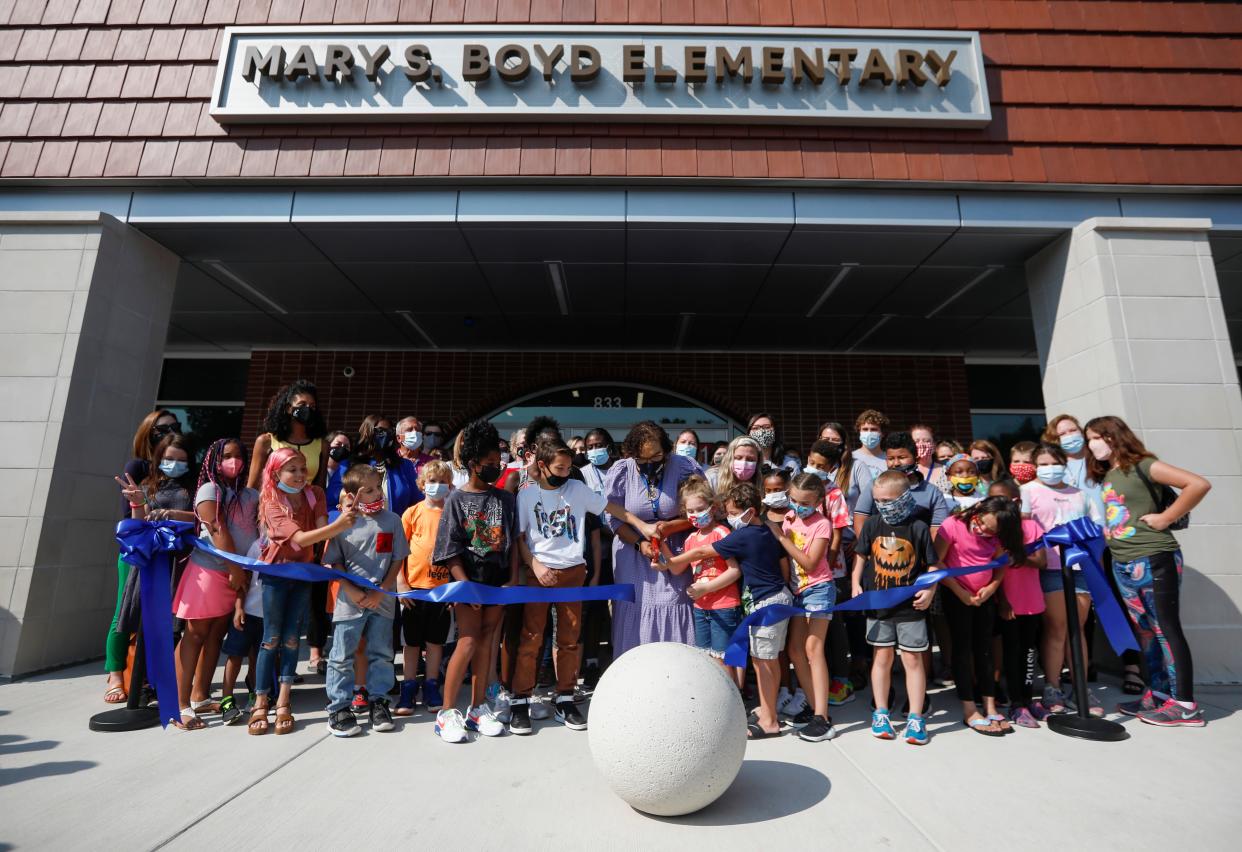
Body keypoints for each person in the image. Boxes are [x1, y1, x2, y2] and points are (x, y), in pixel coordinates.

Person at [509, 441, 658, 734]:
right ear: (542, 466)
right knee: (531, 636)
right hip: (539, 573)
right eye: (559, 468)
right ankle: (520, 699)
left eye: (568, 468)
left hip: (572, 573)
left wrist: (643, 525)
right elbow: (521, 539)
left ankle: (565, 697)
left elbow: (611, 508)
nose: (565, 473)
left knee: (569, 638)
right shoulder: (525, 496)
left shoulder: (577, 490)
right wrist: (536, 566)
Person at [1086, 415, 1211, 727]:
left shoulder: (1143, 464)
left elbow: (1197, 484)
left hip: (1153, 556)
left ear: (1113, 436)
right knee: (1145, 629)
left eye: (1096, 437)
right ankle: (1158, 694)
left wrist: (1166, 518)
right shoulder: (1109, 473)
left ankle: (1185, 704)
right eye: (1089, 439)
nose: (1092, 445)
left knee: (1165, 627)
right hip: (1122, 560)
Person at [662, 481, 790, 739]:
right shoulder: (765, 530)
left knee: (761, 662)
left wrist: (670, 557)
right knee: (766, 661)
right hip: (773, 599)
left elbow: (702, 551)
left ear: (750, 512)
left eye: (732, 513)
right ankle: (767, 711)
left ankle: (769, 721)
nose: (730, 519)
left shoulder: (740, 535)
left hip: (764, 603)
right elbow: (782, 563)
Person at [250, 448, 356, 735]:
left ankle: (283, 701)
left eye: (302, 468)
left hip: (305, 572)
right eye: (291, 470)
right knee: (271, 638)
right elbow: (300, 537)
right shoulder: (271, 500)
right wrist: (339, 525)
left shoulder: (316, 493)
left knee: (293, 639)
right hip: (277, 574)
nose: (299, 475)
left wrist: (342, 519)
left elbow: (321, 531)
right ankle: (261, 701)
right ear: (275, 473)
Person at [431, 420, 520, 743]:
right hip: (468, 579)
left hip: (498, 581)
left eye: (498, 464)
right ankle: (446, 712)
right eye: (489, 465)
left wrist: (511, 579)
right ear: (472, 464)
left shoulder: (506, 500)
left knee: (487, 641)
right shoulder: (456, 500)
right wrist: (464, 584)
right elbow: (449, 548)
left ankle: (478, 707)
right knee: (467, 640)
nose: (496, 469)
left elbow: (511, 543)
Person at [170, 438, 258, 730]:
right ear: (213, 460)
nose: (234, 461)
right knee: (195, 635)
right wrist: (235, 569)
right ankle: (178, 704)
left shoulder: (246, 494)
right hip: (208, 573)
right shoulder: (210, 489)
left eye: (239, 456)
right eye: (227, 456)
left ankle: (200, 695)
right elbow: (216, 528)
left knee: (214, 638)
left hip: (235, 576)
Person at [852, 470, 940, 746]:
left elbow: (933, 565)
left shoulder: (918, 528)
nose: (882, 505)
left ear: (903, 498)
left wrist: (930, 590)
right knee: (881, 658)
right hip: (878, 606)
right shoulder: (872, 525)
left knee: (913, 660)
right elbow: (860, 556)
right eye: (877, 500)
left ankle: (915, 718)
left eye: (888, 500)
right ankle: (881, 712)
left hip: (910, 607)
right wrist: (856, 584)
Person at [323, 465, 409, 738]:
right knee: (341, 656)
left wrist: (381, 590)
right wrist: (352, 590)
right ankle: (339, 708)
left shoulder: (392, 520)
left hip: (382, 602)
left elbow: (397, 559)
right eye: (369, 490)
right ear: (352, 494)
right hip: (350, 602)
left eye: (377, 488)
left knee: (382, 653)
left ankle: (379, 702)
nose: (376, 494)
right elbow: (335, 561)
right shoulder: (343, 523)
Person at [104, 409, 182, 704]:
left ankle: (148, 677)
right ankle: (113, 674)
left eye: (174, 427)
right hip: (137, 550)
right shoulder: (138, 466)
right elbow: (131, 517)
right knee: (124, 611)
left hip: (165, 553)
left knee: (158, 617)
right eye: (161, 429)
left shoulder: (173, 467)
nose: (169, 432)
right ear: (148, 433)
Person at [934, 496, 1027, 736]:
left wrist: (992, 588)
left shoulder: (997, 535)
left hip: (984, 599)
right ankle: (968, 708)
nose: (983, 530)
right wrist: (959, 591)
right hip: (957, 596)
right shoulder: (952, 525)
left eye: (990, 530)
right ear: (978, 509)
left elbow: (1000, 563)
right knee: (963, 649)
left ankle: (989, 704)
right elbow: (938, 563)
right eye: (982, 523)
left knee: (984, 649)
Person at [1021, 442, 1103, 715]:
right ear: (1034, 466)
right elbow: (1023, 530)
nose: (1049, 468)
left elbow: (1096, 534)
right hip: (1049, 569)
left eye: (1053, 462)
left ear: (1064, 463)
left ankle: (1080, 687)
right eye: (1042, 464)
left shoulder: (1081, 494)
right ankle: (1052, 686)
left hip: (1081, 569)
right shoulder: (1028, 491)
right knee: (1056, 627)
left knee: (1077, 629)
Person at [605, 421, 699, 656]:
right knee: (634, 611)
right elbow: (613, 518)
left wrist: (670, 526)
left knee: (676, 605)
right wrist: (641, 543)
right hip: (633, 554)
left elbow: (702, 512)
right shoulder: (622, 471)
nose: (649, 464)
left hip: (676, 554)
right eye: (642, 460)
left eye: (656, 457)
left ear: (666, 451)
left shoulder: (685, 467)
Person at [766, 472, 841, 742]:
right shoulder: (789, 518)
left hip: (819, 588)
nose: (798, 506)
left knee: (813, 648)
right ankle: (812, 704)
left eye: (805, 502)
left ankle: (823, 716)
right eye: (794, 500)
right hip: (797, 591)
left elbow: (810, 563)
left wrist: (782, 537)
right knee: (795, 650)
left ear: (819, 500)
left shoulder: (822, 525)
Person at [670, 477, 742, 685]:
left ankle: (731, 702)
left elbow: (734, 570)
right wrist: (660, 545)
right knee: (707, 658)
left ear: (713, 507)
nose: (695, 515)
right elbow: (676, 568)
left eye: (700, 509)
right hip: (701, 607)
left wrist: (707, 587)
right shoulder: (690, 539)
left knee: (722, 658)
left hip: (724, 605)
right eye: (690, 511)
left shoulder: (722, 533)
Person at [396, 460, 455, 717]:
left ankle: (431, 685)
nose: (437, 486)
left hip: (441, 591)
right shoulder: (412, 513)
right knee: (411, 643)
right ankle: (408, 686)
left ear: (450, 486)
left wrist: (455, 589)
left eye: (443, 482)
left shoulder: (453, 513)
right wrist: (401, 581)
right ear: (422, 485)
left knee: (435, 642)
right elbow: (399, 552)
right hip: (414, 590)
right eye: (432, 481)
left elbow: (458, 553)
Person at [988, 480, 1048, 728]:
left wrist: (1019, 555)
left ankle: (1028, 698)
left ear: (1017, 503)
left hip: (1032, 601)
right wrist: (1002, 601)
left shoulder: (1031, 526)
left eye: (1003, 500)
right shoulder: (993, 531)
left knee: (1029, 651)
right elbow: (993, 571)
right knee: (1011, 653)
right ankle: (1016, 704)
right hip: (1007, 603)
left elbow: (1041, 561)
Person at [852, 433, 951, 536]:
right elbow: (860, 517)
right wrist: (867, 549)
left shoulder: (932, 492)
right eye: (891, 458)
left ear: (916, 459)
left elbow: (938, 530)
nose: (896, 463)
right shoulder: (874, 485)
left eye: (902, 457)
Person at [328, 414, 423, 517]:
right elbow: (331, 505)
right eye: (380, 431)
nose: (385, 435)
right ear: (367, 433)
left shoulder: (404, 466)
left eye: (389, 431)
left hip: (396, 529)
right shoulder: (348, 465)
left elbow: (418, 504)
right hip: (358, 529)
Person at [247, 380, 328, 489]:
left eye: (312, 406)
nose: (307, 409)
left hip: (306, 505)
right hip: (272, 503)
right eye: (302, 404)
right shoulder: (266, 441)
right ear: (288, 408)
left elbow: (320, 488)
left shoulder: (322, 445)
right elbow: (252, 486)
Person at [853, 409, 890, 477]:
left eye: (873, 429)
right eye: (865, 429)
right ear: (859, 432)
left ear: (883, 433)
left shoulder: (890, 459)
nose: (869, 433)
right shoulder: (850, 458)